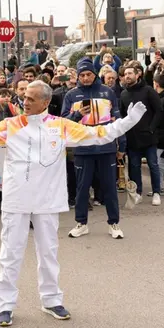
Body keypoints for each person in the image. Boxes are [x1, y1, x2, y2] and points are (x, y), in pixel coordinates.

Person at [0, 81, 146, 326]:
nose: (25, 101)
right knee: (10, 253)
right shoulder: (10, 125)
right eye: (24, 97)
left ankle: (51, 299)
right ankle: (5, 305)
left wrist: (129, 121)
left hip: (47, 200)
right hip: (17, 199)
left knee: (48, 252)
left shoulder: (60, 126)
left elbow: (99, 134)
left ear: (45, 102)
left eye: (31, 98)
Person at [62, 57, 127, 239]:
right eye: (82, 75)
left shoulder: (107, 92)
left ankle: (114, 223)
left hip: (106, 148)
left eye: (88, 74)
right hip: (83, 149)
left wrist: (121, 145)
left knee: (110, 189)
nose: (85, 78)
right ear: (78, 76)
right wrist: (77, 114)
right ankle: (81, 223)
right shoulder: (71, 95)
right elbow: (63, 122)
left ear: (94, 74)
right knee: (82, 189)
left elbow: (118, 121)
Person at [119, 63, 164, 205]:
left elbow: (158, 110)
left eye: (130, 73)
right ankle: (137, 193)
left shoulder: (148, 90)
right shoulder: (123, 94)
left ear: (137, 75)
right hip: (132, 137)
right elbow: (122, 115)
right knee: (134, 166)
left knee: (153, 165)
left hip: (149, 136)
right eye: (125, 74)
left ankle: (156, 192)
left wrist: (151, 128)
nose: (127, 76)